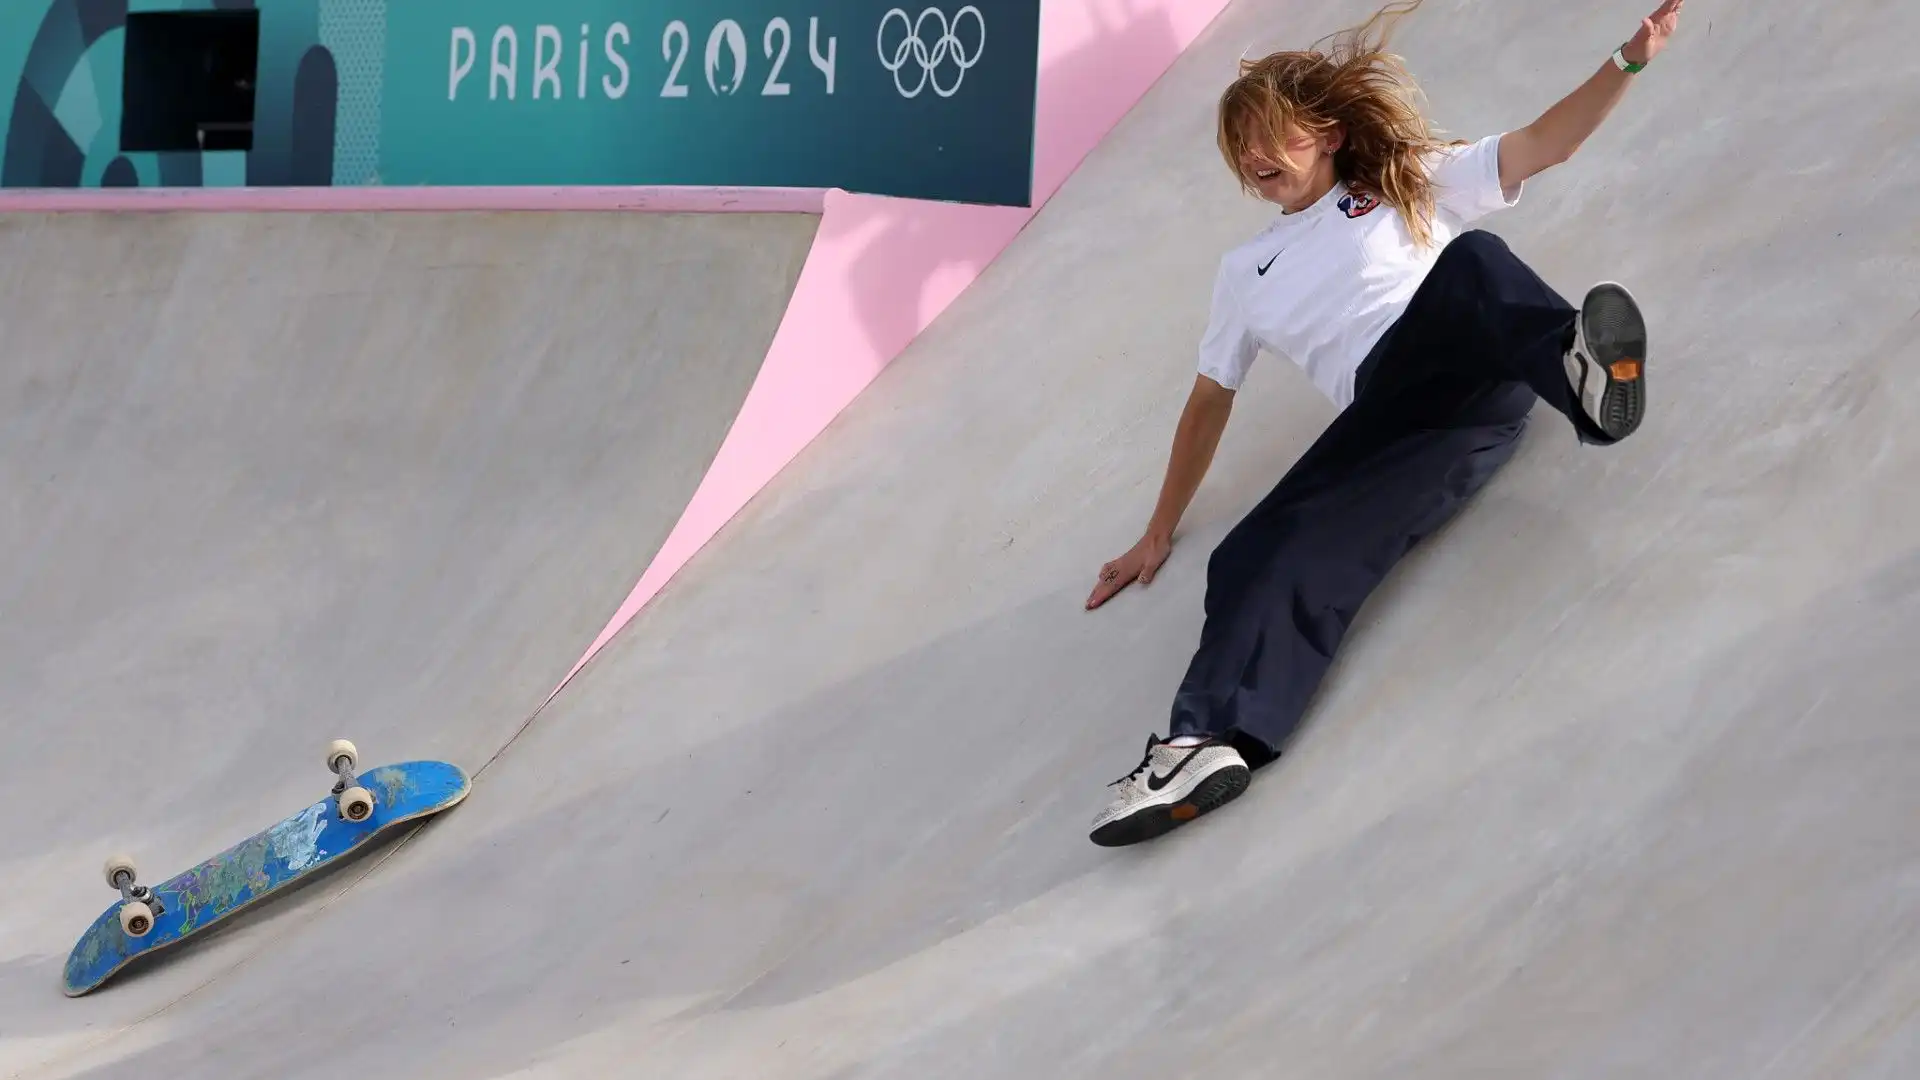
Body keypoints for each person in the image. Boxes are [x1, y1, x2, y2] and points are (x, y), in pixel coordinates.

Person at [1083, 0, 1686, 847]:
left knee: (1473, 261)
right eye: (1241, 148)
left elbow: (1545, 143)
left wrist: (1628, 62)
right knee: (1255, 553)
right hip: (1399, 430)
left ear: (1326, 133)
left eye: (1274, 136)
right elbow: (1209, 399)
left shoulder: (1403, 178)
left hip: (1472, 366)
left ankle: (1577, 377)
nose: (1257, 158)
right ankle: (1209, 744)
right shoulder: (1243, 271)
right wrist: (1156, 534)